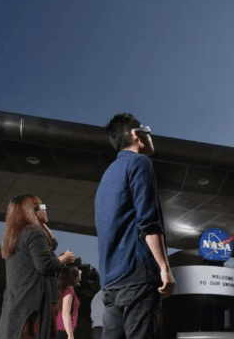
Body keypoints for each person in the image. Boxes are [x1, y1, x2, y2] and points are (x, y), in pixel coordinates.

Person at [96, 113, 175, 339]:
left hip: (111, 280)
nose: (151, 136)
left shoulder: (107, 176)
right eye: (147, 130)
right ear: (135, 134)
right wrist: (164, 269)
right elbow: (148, 221)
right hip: (137, 273)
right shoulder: (140, 162)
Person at [0, 194, 75, 339]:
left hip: (20, 303)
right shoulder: (34, 232)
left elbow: (52, 244)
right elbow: (45, 265)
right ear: (32, 210)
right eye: (42, 207)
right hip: (35, 305)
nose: (46, 209)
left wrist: (40, 221)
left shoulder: (16, 235)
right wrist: (63, 259)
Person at [55, 265, 81, 339]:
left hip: (58, 330)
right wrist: (70, 335)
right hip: (63, 331)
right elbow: (65, 313)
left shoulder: (59, 291)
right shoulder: (69, 290)